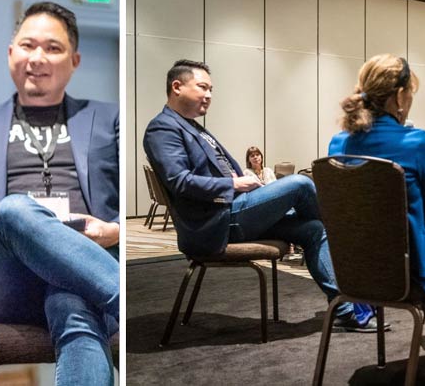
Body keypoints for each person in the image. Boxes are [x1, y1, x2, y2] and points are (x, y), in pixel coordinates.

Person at [0, 1, 120, 384]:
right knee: (14, 209)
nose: (38, 57)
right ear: (10, 53)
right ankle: (121, 291)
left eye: (53, 48)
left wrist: (116, 231)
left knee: (74, 306)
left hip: (85, 265)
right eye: (28, 45)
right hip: (8, 279)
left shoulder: (108, 118)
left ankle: (102, 287)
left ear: (75, 60)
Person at [144, 59, 367, 330]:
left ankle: (344, 310)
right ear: (177, 87)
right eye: (203, 87)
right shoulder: (163, 128)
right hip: (216, 222)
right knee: (300, 183)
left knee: (313, 228)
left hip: (234, 211)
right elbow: (180, 182)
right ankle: (351, 252)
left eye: (211, 89)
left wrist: (244, 182)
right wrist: (235, 185)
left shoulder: (191, 126)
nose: (209, 95)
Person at [327, 53, 425, 356]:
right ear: (400, 96)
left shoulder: (337, 144)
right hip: (405, 272)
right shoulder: (418, 142)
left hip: (353, 271)